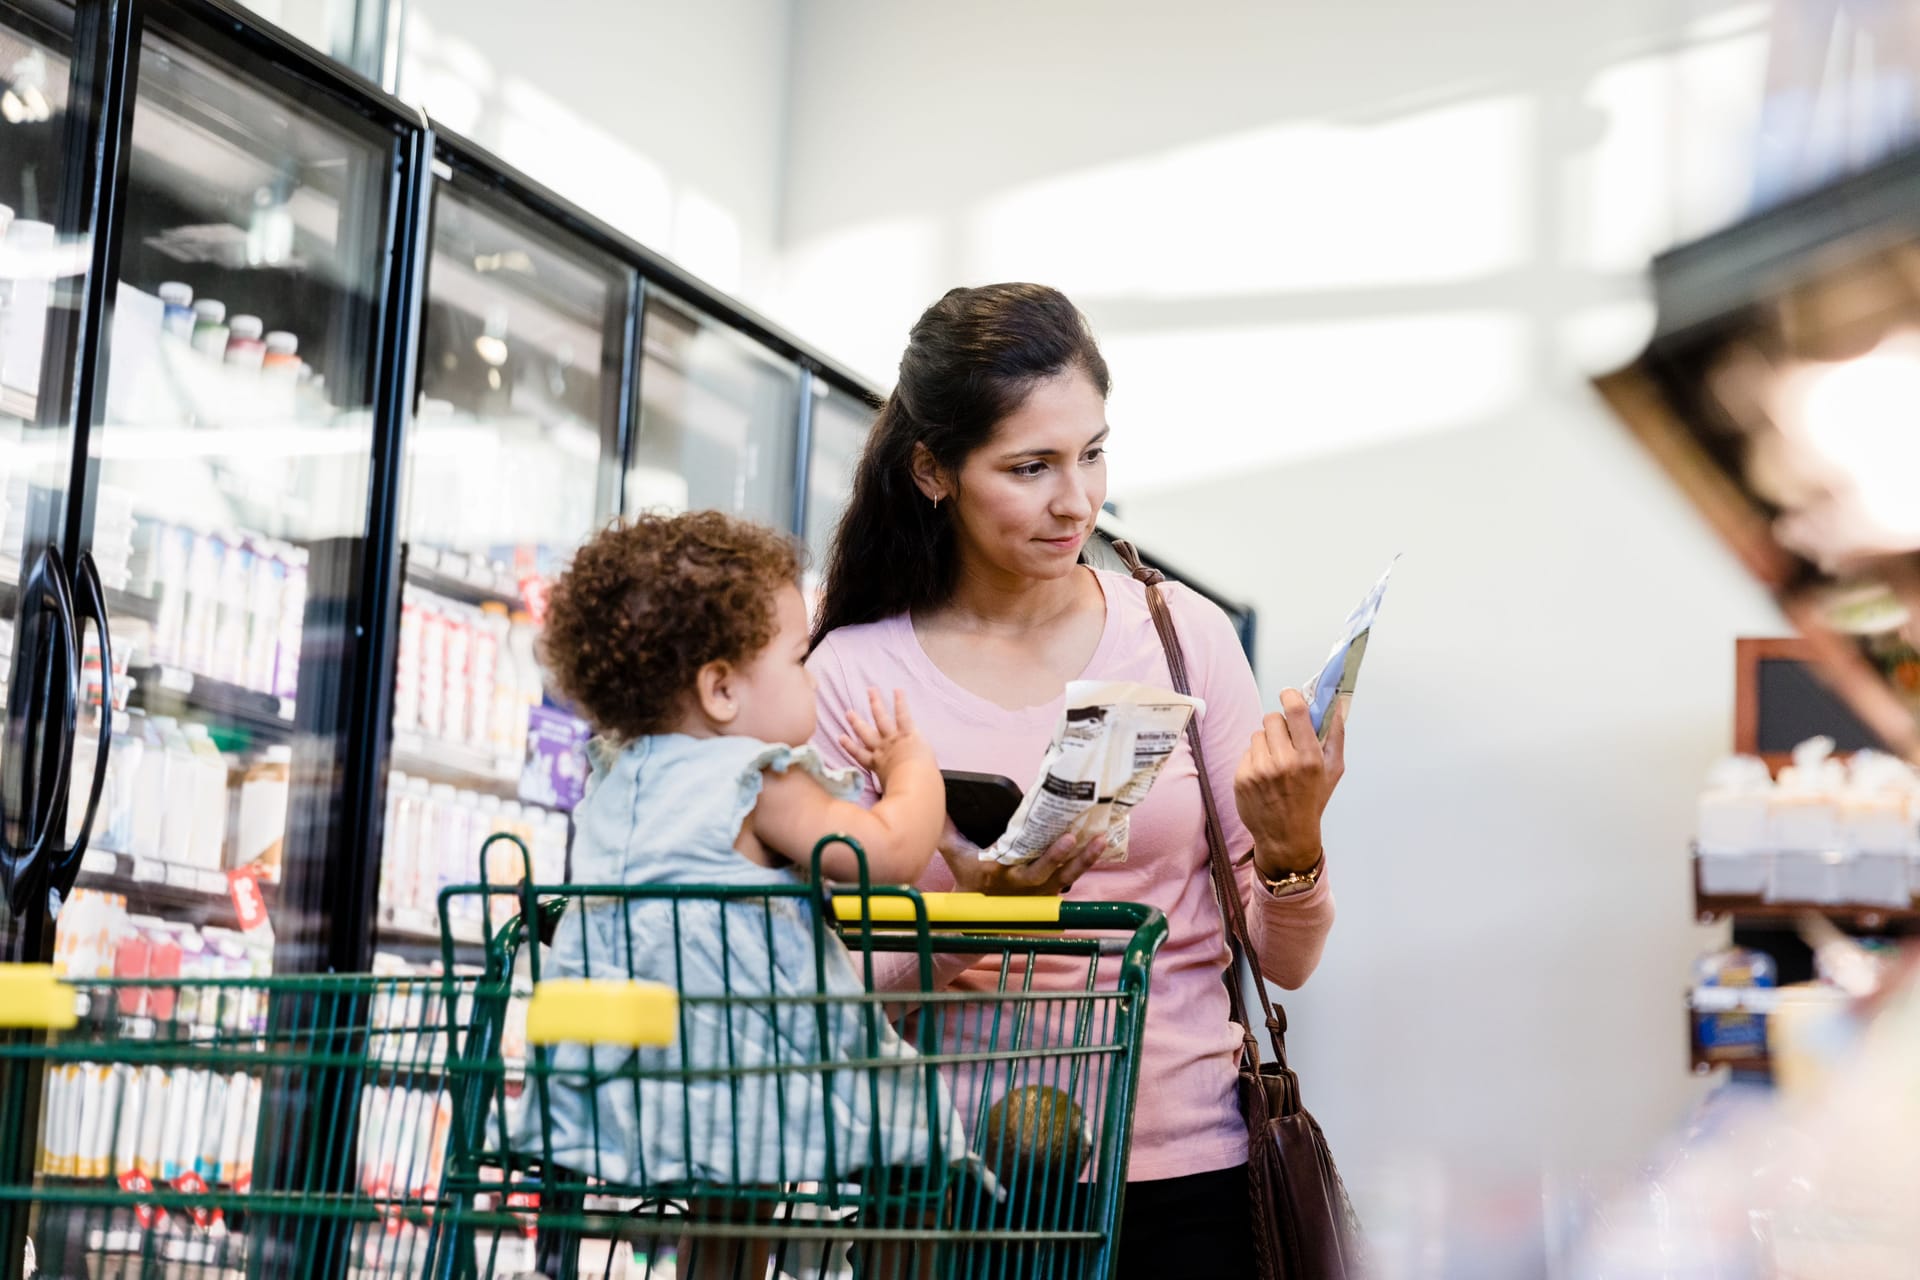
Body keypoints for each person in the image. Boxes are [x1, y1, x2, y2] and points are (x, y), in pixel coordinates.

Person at [808, 283, 1346, 1279]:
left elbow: (1285, 959)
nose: (1078, 500)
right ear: (933, 471)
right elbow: (828, 984)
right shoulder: (855, 674)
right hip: (951, 1183)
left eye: (1093, 452)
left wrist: (1292, 844)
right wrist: (987, 913)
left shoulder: (1181, 635)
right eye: (1031, 466)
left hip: (1189, 1183)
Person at [524, 509, 966, 1276]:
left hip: (641, 1057)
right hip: (759, 1049)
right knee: (920, 1152)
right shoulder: (755, 778)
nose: (812, 681)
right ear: (721, 689)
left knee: (732, 1201)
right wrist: (912, 768)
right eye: (799, 662)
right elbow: (889, 853)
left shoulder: (618, 777)